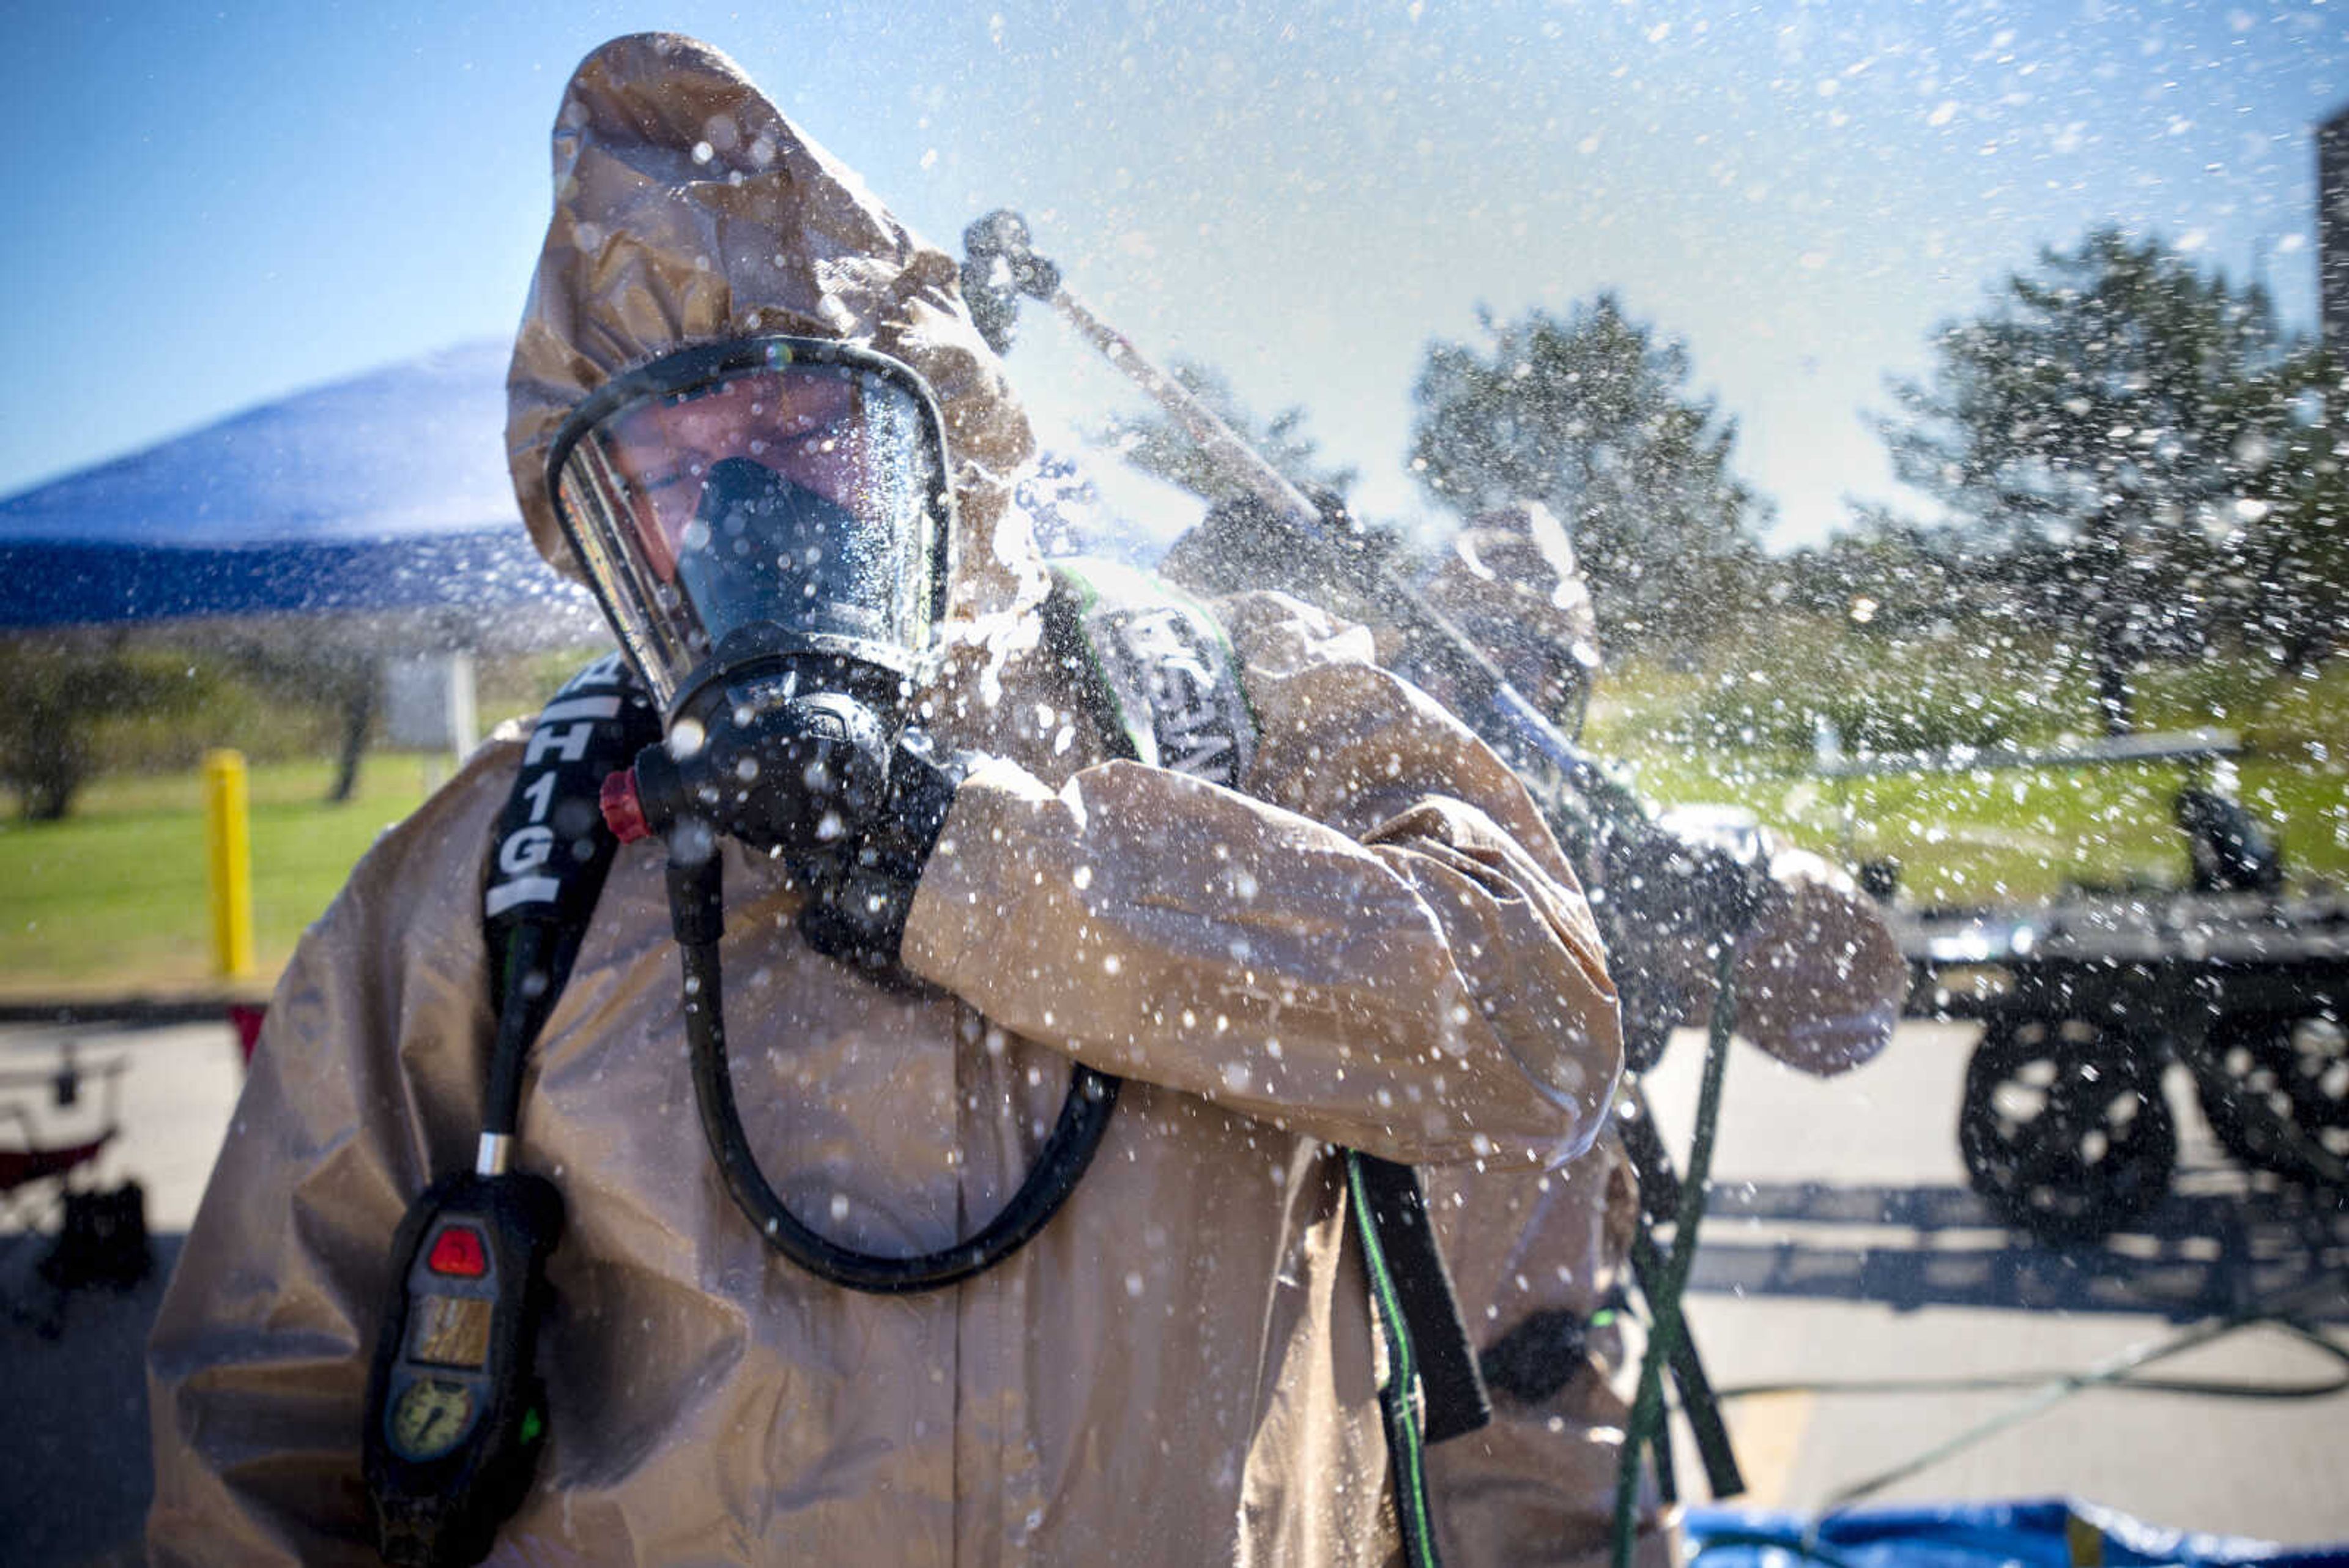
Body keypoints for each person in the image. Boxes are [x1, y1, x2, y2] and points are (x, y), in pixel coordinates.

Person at [144, 32, 1621, 1567]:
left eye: (790, 435)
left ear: (935, 437)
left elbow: (1536, 1032)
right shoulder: (509, 862)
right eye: (678, 467)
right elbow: (256, 1428)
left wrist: (960, 852)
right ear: (608, 517)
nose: (745, 506)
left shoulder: (1224, 705)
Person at [1158, 496, 1906, 1564]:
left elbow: (1849, 1010)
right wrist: (1220, 568)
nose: (1506, 698)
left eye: (1538, 668)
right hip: (1328, 1439)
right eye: (1475, 661)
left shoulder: (1609, 872)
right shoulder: (1334, 841)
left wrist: (1750, 882)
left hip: (1546, 1442)